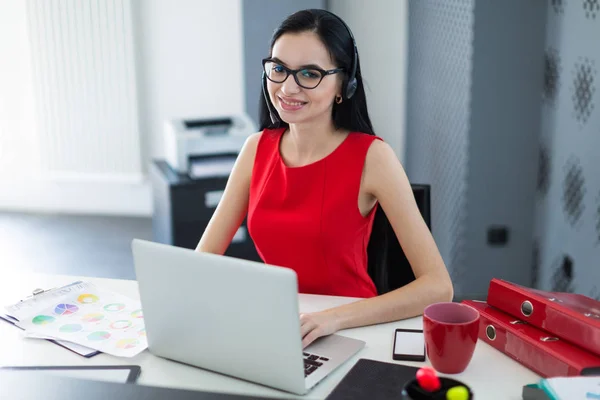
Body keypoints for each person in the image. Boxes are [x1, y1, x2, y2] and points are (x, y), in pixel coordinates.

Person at [196, 9, 453, 348]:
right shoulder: (256, 149)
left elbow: (438, 286)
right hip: (284, 326)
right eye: (278, 69)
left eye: (309, 73)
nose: (288, 87)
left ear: (343, 86)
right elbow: (202, 261)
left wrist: (334, 317)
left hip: (352, 329)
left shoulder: (373, 157)